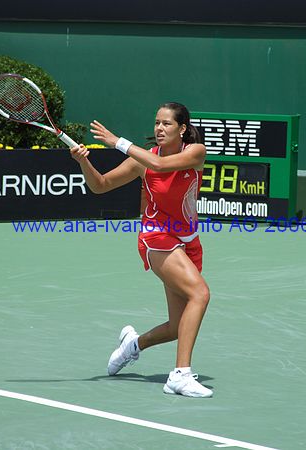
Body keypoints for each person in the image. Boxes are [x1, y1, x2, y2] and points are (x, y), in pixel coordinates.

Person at [70, 102, 212, 398]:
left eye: (167, 124)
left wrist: (117, 142)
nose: (159, 129)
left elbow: (160, 165)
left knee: (177, 327)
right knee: (200, 293)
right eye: (157, 123)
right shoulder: (142, 161)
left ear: (182, 129)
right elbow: (101, 185)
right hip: (156, 236)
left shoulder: (195, 152)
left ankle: (133, 345)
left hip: (189, 240)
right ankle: (180, 375)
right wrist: (84, 162)